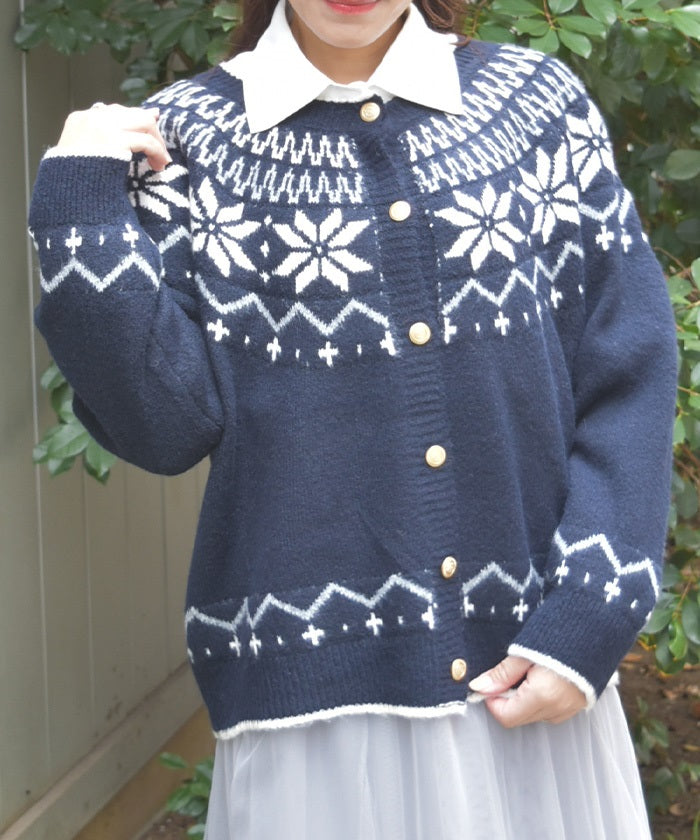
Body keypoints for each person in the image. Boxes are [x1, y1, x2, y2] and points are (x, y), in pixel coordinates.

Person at [29, 0, 677, 836]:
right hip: (313, 726)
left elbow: (628, 369)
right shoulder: (185, 142)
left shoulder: (535, 108)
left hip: (533, 678)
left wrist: (591, 609)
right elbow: (164, 425)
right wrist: (79, 212)